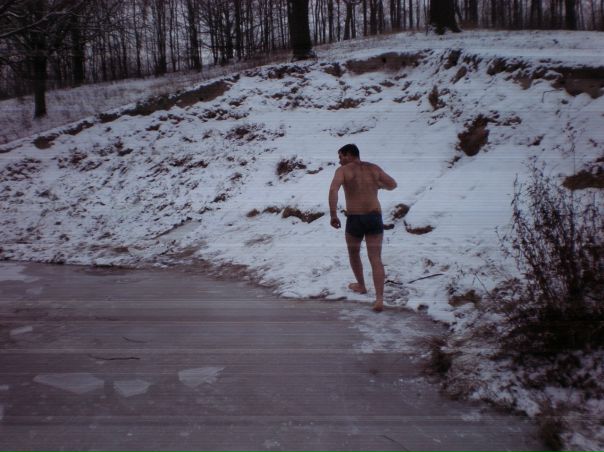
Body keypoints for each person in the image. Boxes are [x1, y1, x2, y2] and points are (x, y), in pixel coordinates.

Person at [328, 144, 397, 312]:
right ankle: (379, 299)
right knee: (375, 258)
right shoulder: (373, 168)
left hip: (355, 218)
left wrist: (333, 214)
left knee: (354, 253)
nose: (339, 161)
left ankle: (361, 285)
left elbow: (333, 190)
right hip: (374, 216)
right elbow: (392, 184)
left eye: (341, 157)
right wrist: (378, 185)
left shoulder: (343, 171)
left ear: (349, 154)